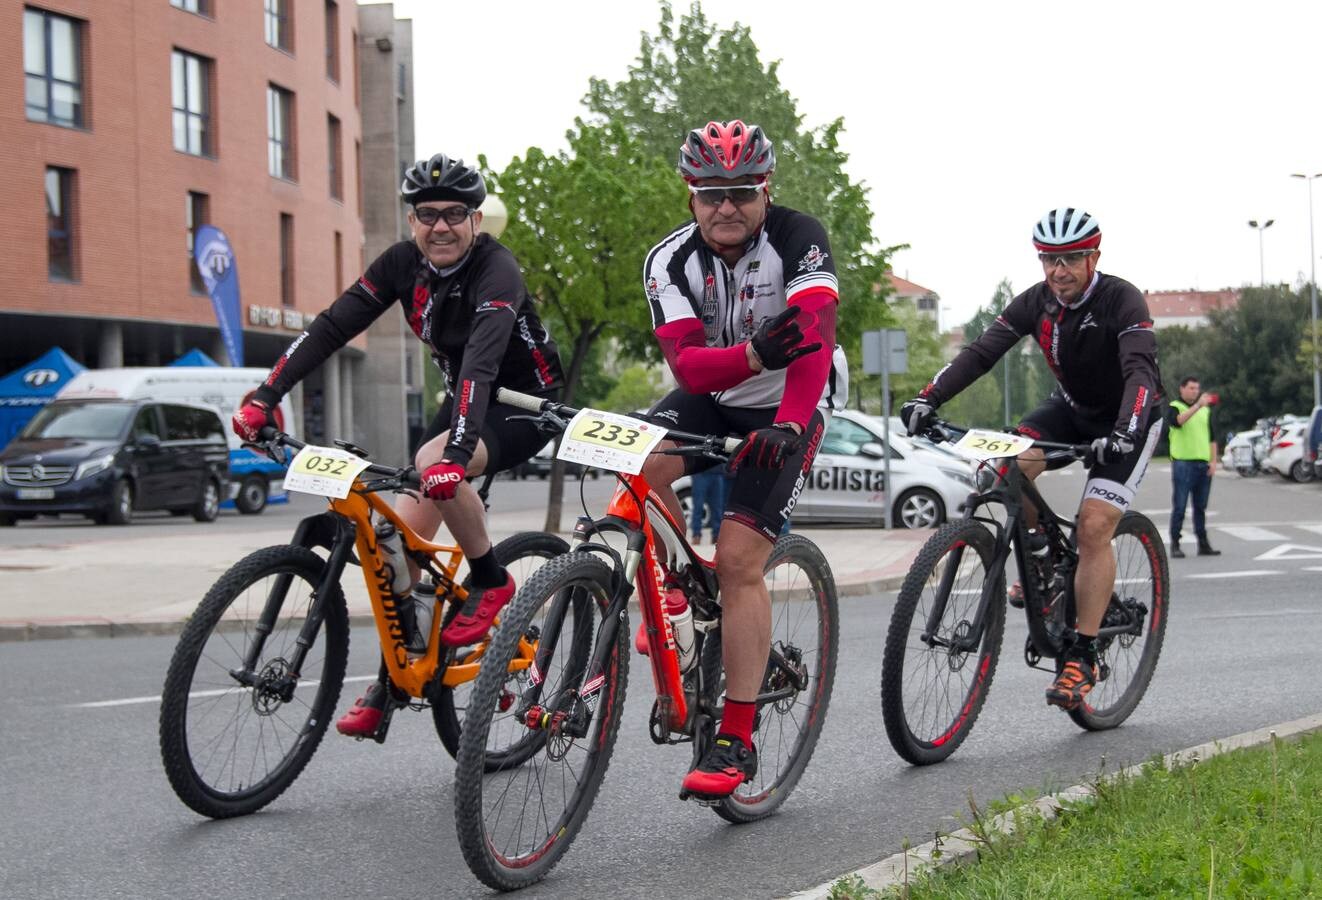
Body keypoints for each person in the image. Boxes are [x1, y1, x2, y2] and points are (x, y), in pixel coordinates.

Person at [232, 154, 564, 739]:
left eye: (455, 214)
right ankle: (394, 682)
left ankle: (491, 578)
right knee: (398, 552)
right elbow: (332, 326)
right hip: (462, 399)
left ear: (476, 220)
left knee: (434, 463)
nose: (441, 226)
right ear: (412, 221)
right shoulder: (400, 265)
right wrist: (266, 395)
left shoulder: (497, 270)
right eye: (427, 214)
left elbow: (483, 368)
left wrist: (455, 459)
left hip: (523, 404)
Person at [641, 120, 848, 799]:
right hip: (723, 390)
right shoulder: (667, 261)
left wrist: (790, 422)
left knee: (737, 560)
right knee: (637, 468)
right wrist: (757, 353)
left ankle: (736, 738)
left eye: (740, 191)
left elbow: (812, 340)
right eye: (709, 193)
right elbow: (690, 368)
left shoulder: (799, 236)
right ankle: (677, 581)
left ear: (765, 190)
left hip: (794, 399)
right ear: (688, 194)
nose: (724, 206)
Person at [900, 207, 1163, 712]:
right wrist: (927, 398)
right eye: (1049, 260)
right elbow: (981, 353)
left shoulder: (1121, 299)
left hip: (1130, 420)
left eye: (1069, 259)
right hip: (1069, 410)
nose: (1058, 271)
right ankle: (1042, 558)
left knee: (1093, 527)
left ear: (1093, 257)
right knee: (1005, 467)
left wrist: (1125, 433)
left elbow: (1139, 372)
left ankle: (1082, 656)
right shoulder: (1036, 302)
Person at [1166, 376, 1220, 558]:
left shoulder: (1206, 411)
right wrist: (1197, 406)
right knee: (1180, 505)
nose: (1194, 391)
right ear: (1182, 389)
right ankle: (1175, 542)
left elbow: (1212, 438)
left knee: (1200, 506)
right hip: (1183, 462)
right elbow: (1178, 422)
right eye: (1191, 388)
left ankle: (1203, 543)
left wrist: (1213, 461)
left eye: (1197, 388)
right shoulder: (1175, 406)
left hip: (1202, 463)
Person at [688, 466, 726, 543]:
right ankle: (696, 535)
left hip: (717, 473)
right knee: (698, 507)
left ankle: (716, 536)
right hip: (700, 473)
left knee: (717, 508)